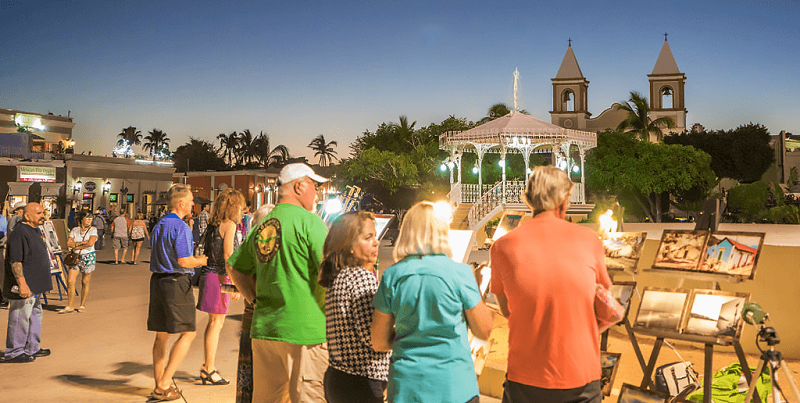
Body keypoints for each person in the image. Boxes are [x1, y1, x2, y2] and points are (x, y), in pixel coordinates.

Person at [490, 166, 612, 403]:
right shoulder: (589, 241)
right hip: (580, 375)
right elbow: (605, 306)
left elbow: (506, 309)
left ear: (529, 201)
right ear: (564, 202)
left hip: (525, 377)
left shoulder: (502, 246)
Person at [371, 201, 493, 403]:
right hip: (455, 387)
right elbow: (484, 330)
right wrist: (477, 287)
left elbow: (379, 341)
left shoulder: (393, 275)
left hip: (408, 388)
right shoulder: (460, 273)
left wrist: (411, 334)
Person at [229, 163, 329, 403]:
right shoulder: (309, 222)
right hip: (305, 332)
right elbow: (332, 269)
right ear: (299, 186)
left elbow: (234, 267)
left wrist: (253, 298)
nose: (316, 193)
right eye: (314, 186)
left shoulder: (265, 224)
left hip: (266, 331)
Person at [319, 211, 390, 403]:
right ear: (349, 245)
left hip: (338, 377)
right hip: (362, 381)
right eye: (368, 237)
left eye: (375, 236)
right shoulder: (361, 278)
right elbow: (373, 337)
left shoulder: (340, 276)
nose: (376, 242)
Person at [147, 184, 208, 401]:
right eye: (191, 200)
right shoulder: (180, 227)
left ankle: (159, 385)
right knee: (188, 333)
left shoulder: (159, 225)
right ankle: (163, 383)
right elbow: (184, 260)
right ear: (181, 204)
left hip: (157, 282)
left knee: (161, 335)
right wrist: (203, 260)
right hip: (176, 282)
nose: (193, 203)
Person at [196, 189, 245, 386]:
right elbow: (227, 255)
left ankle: (208, 366)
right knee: (216, 324)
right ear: (233, 206)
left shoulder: (213, 224)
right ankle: (209, 368)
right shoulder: (230, 225)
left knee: (213, 323)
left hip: (208, 275)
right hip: (219, 278)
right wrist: (234, 282)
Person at [2, 203, 52, 363]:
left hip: (36, 285)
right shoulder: (19, 232)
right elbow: (16, 261)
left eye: (43, 212)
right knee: (19, 318)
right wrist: (22, 284)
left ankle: (32, 347)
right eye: (38, 213)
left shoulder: (36, 230)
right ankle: (14, 351)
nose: (42, 215)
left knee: (35, 315)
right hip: (25, 285)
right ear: (27, 216)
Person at [236, 203, 274, 403]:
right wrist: (254, 300)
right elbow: (234, 269)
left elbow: (235, 270)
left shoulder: (253, 247)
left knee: (248, 378)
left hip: (251, 322)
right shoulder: (263, 249)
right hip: (260, 324)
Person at [59, 210, 98, 314]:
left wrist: (76, 244)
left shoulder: (93, 230)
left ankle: (82, 304)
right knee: (70, 281)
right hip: (75, 256)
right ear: (81, 219)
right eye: (87, 218)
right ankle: (70, 305)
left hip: (88, 256)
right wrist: (82, 243)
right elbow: (68, 243)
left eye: (91, 218)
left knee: (85, 282)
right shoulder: (75, 230)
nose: (89, 220)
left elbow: (90, 243)